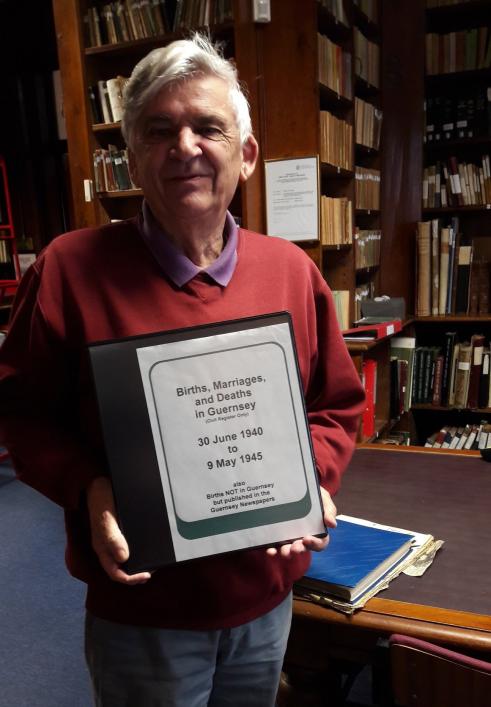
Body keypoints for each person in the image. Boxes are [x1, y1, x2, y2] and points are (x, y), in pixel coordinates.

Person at [0, 34, 364, 707]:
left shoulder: (290, 272)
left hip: (267, 594)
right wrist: (89, 485)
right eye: (159, 129)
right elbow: (21, 416)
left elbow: (336, 404)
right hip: (143, 607)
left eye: (208, 126)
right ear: (132, 156)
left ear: (246, 155)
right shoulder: (66, 268)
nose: (185, 147)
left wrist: (306, 474)